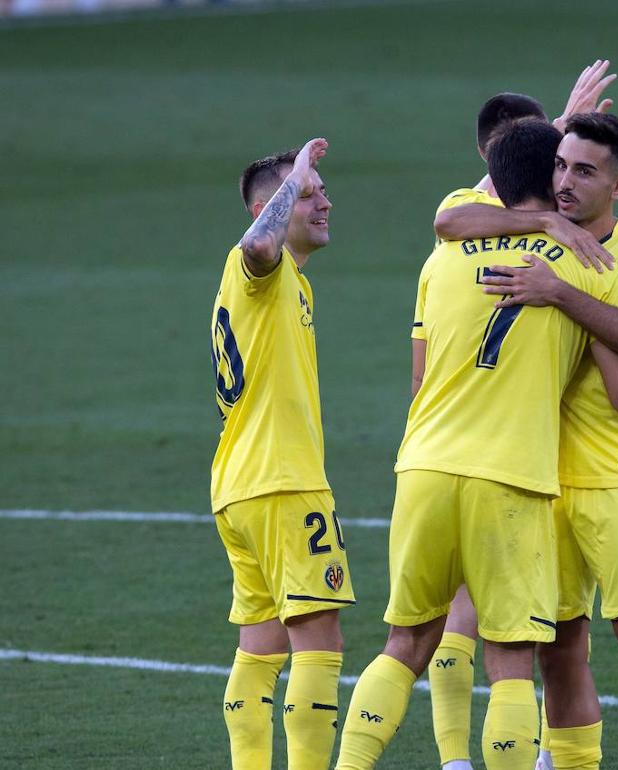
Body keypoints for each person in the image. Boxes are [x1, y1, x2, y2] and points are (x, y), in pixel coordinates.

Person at [333, 117, 618, 770]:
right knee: (512, 660)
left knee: (404, 642)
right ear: (553, 177)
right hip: (511, 476)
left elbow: (455, 215)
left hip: (424, 466)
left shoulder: (441, 254)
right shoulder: (587, 264)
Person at [442, 112, 618, 770]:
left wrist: (560, 292)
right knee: (558, 647)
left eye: (584, 171)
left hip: (615, 475)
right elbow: (450, 220)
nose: (563, 182)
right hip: (537, 478)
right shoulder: (527, 230)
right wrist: (546, 236)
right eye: (559, 165)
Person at [422, 65, 618, 770]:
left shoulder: (448, 245)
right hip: (525, 456)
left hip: (444, 449)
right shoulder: (576, 249)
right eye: (557, 159)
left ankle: (456, 758)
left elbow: (423, 358)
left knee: (453, 620)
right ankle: (529, 753)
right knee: (522, 634)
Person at [211, 138, 354, 770]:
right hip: (280, 483)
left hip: (240, 486)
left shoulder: (290, 284)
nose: (325, 200)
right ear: (274, 203)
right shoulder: (258, 270)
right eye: (310, 191)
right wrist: (293, 178)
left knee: (261, 647)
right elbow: (257, 245)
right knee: (319, 643)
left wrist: (293, 183)